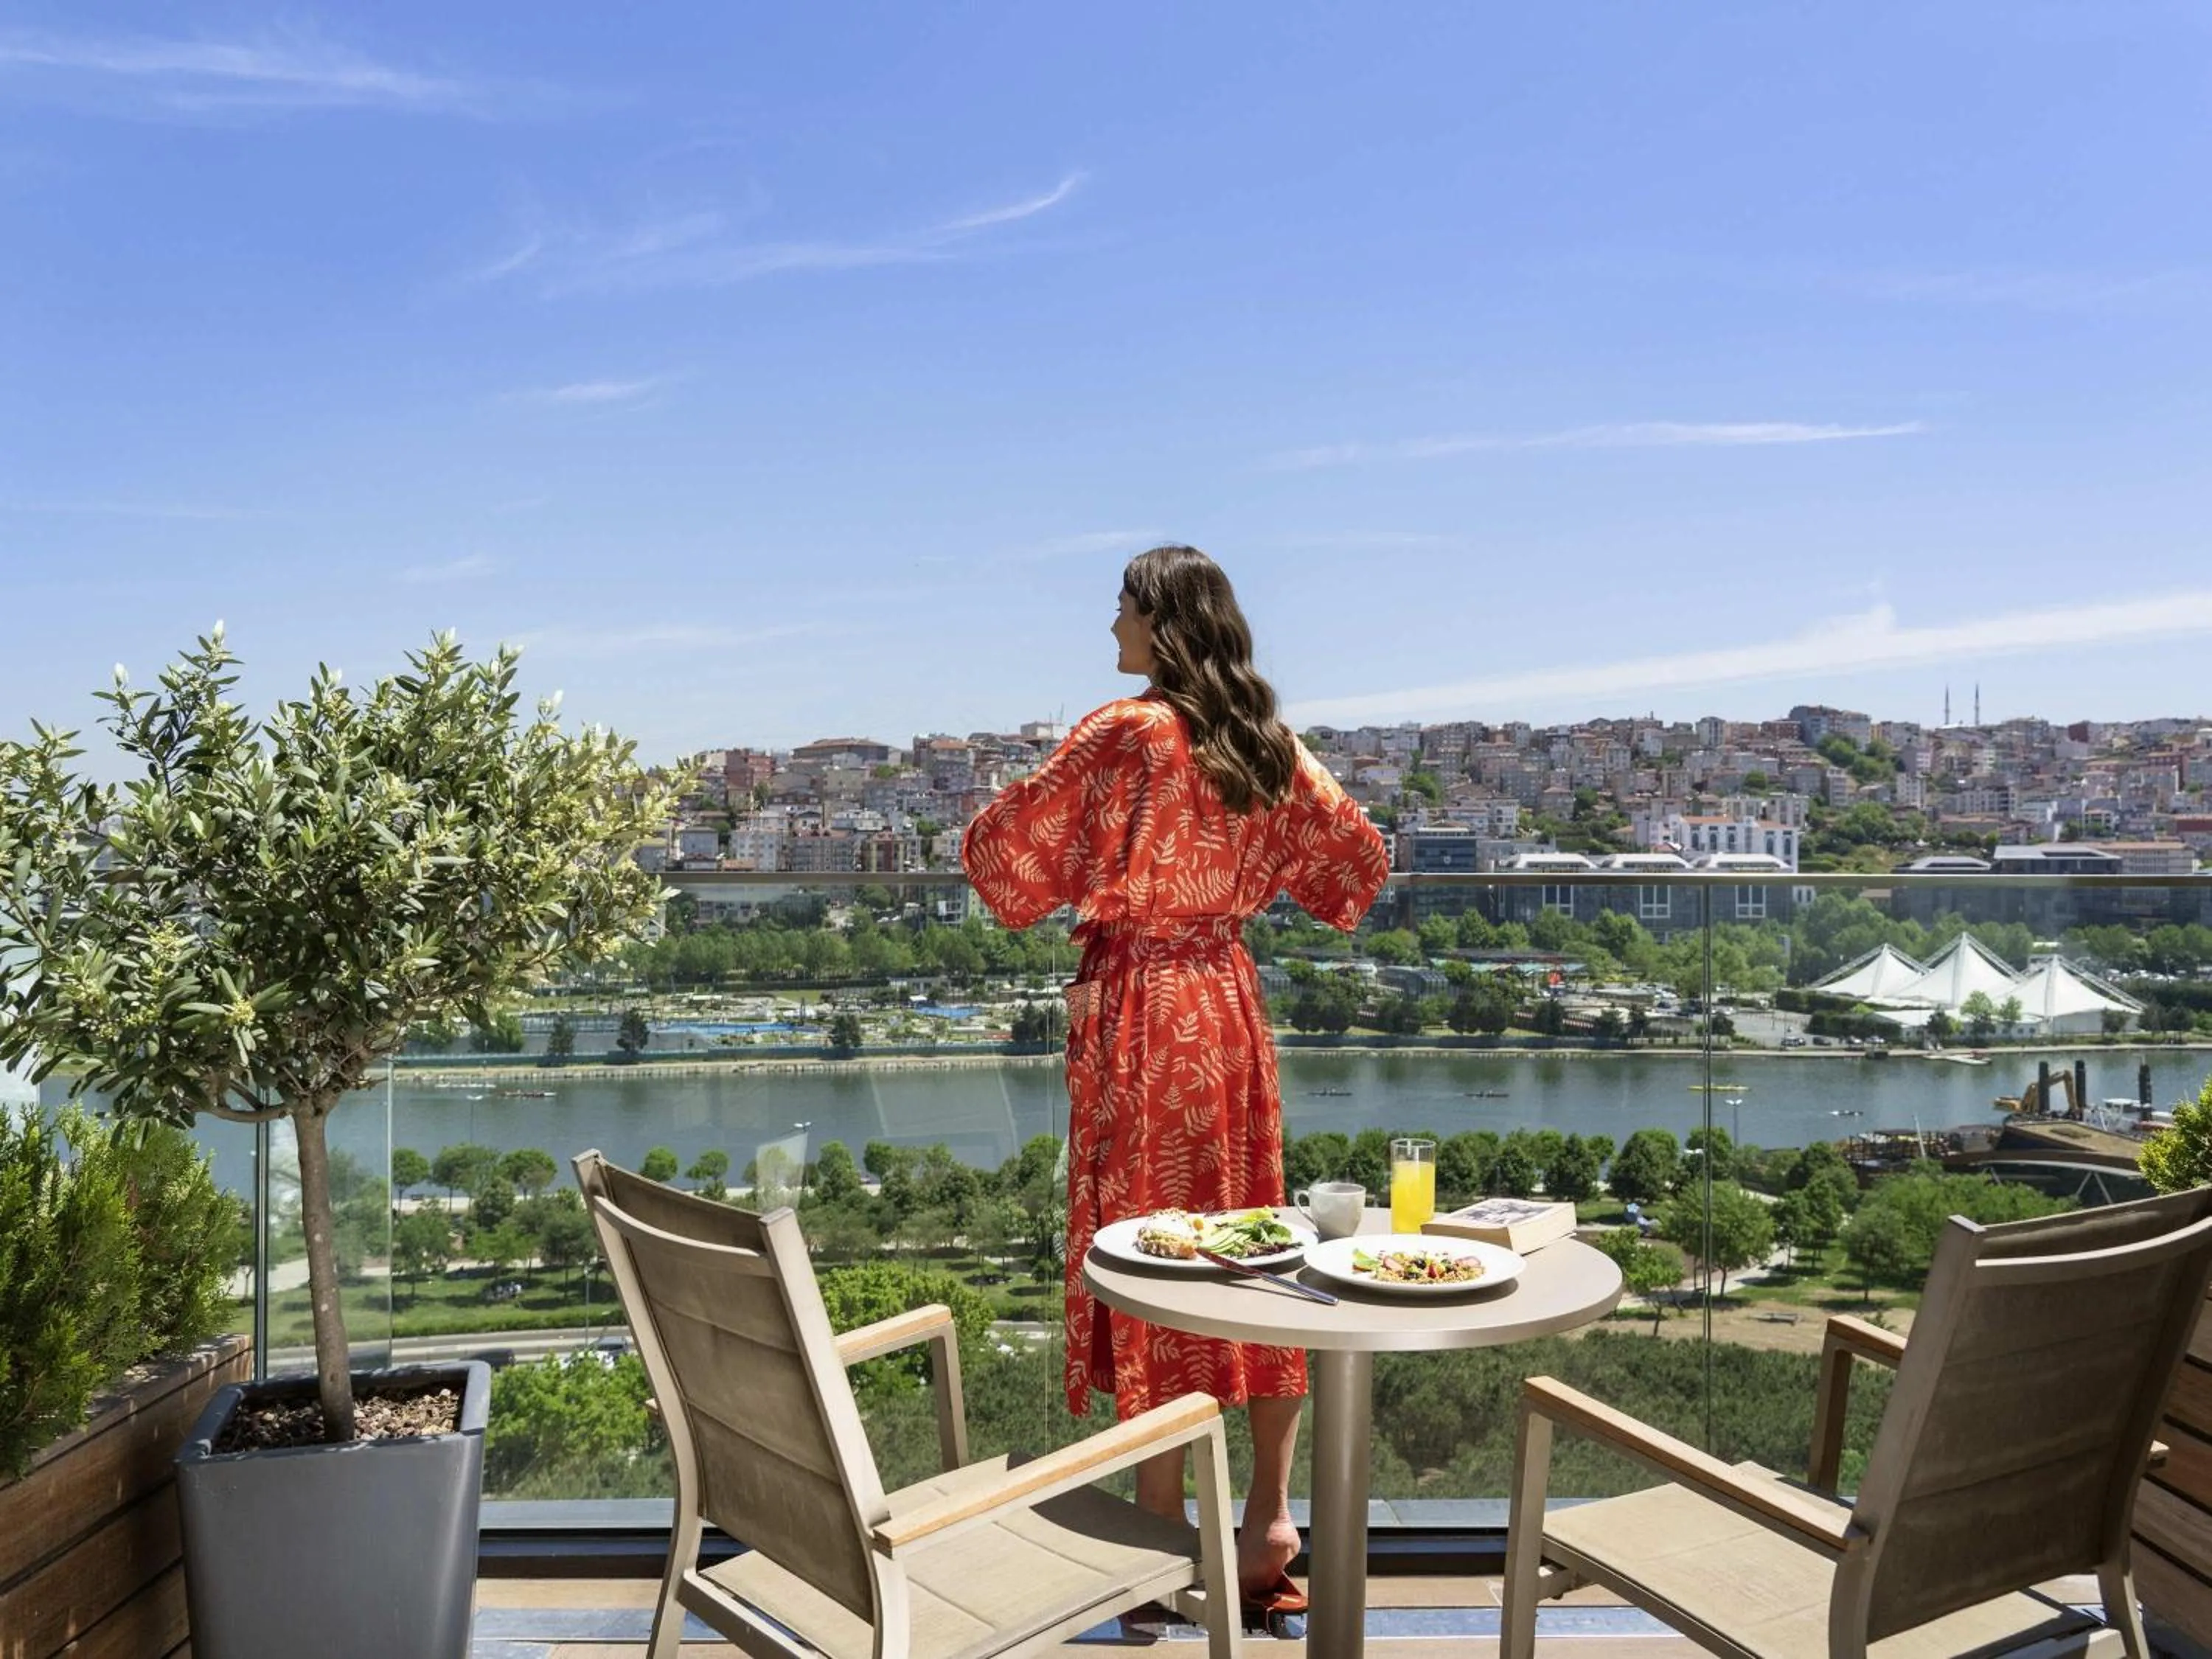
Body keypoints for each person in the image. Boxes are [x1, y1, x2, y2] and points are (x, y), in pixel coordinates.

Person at [963, 544, 1389, 1620]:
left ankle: (1158, 1534)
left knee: (1151, 1256)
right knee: (1253, 1258)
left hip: (1143, 1020)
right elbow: (1359, 868)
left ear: (1160, 622)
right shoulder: (1267, 743)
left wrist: (1087, 868)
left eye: (1122, 610)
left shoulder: (1127, 732)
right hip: (1230, 1009)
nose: (1111, 627)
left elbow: (1000, 856)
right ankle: (1269, 1525)